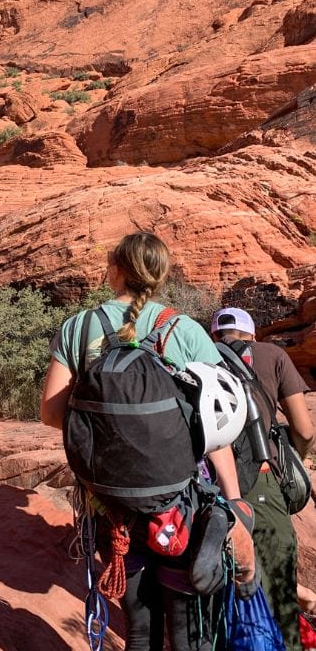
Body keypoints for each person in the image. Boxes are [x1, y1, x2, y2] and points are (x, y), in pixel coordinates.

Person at [41, 232, 246, 651]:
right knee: (186, 630)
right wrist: (234, 502)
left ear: (114, 270)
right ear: (160, 275)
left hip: (109, 504)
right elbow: (216, 424)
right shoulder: (184, 329)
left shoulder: (78, 327)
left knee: (138, 625)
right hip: (179, 503)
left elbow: (50, 412)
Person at [211, 306, 314, 651]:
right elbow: (303, 428)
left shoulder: (200, 356)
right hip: (264, 479)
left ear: (215, 335)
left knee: (226, 586)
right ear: (252, 334)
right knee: (280, 591)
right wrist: (294, 461)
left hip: (210, 485)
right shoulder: (273, 355)